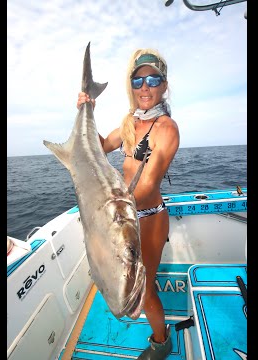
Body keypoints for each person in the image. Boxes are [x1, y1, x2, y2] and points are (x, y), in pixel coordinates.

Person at [77, 48, 179, 360]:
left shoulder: (166, 128)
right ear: (131, 87)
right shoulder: (128, 125)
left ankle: (161, 342)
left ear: (163, 86)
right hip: (124, 216)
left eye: (153, 79)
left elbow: (148, 182)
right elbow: (100, 146)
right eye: (138, 81)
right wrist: (85, 109)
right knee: (137, 284)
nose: (145, 87)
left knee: (144, 291)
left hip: (148, 217)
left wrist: (110, 209)